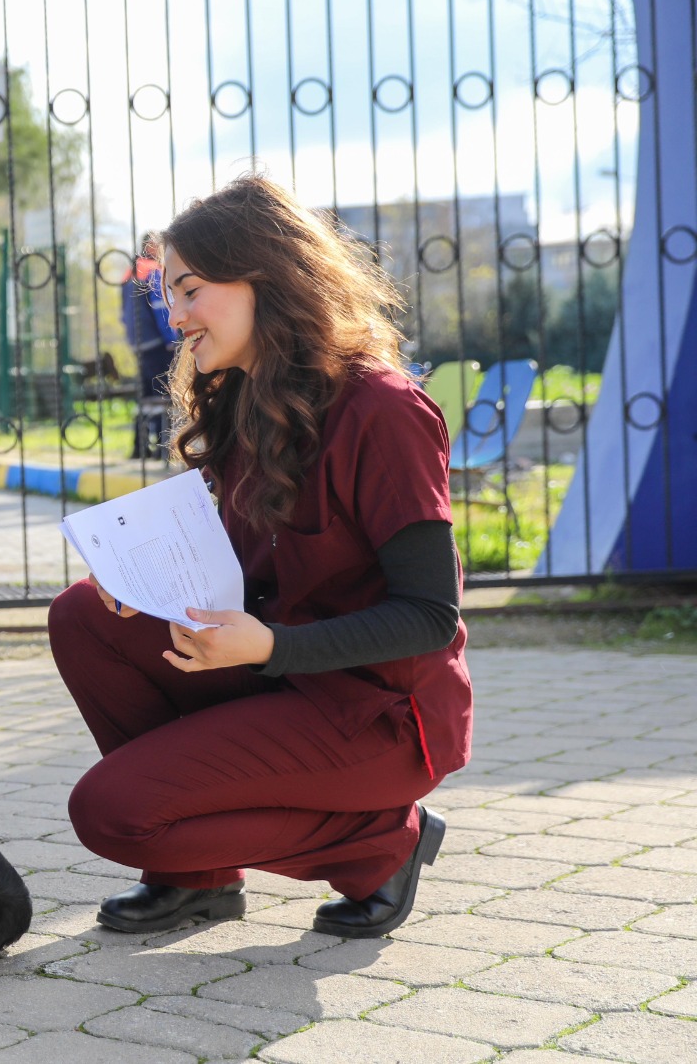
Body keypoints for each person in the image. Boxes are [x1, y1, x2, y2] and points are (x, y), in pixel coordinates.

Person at [48, 174, 472, 940]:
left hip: (377, 715)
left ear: (265, 278)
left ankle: (384, 841)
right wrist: (141, 579)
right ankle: (198, 879)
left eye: (189, 291)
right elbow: (248, 574)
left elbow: (430, 616)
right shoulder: (246, 398)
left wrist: (272, 647)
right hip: (284, 675)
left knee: (111, 813)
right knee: (85, 614)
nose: (175, 317)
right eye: (168, 296)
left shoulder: (383, 410)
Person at [120, 250, 177, 459]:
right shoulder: (153, 271)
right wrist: (171, 339)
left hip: (139, 343)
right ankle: (163, 448)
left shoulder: (131, 274)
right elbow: (161, 308)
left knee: (146, 399)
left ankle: (140, 446)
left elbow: (123, 315)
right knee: (164, 395)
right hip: (157, 343)